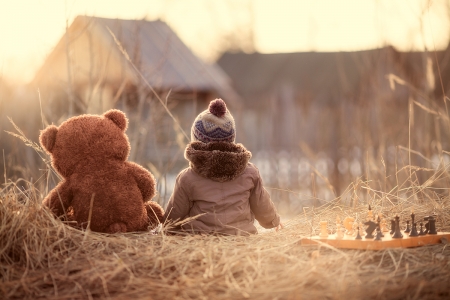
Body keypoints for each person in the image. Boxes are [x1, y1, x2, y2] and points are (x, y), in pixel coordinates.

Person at [163, 98, 282, 235]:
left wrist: (165, 230)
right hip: (242, 238)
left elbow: (173, 218)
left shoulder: (187, 178)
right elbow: (262, 207)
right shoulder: (250, 172)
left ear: (196, 140)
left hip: (200, 241)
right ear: (231, 140)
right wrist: (274, 221)